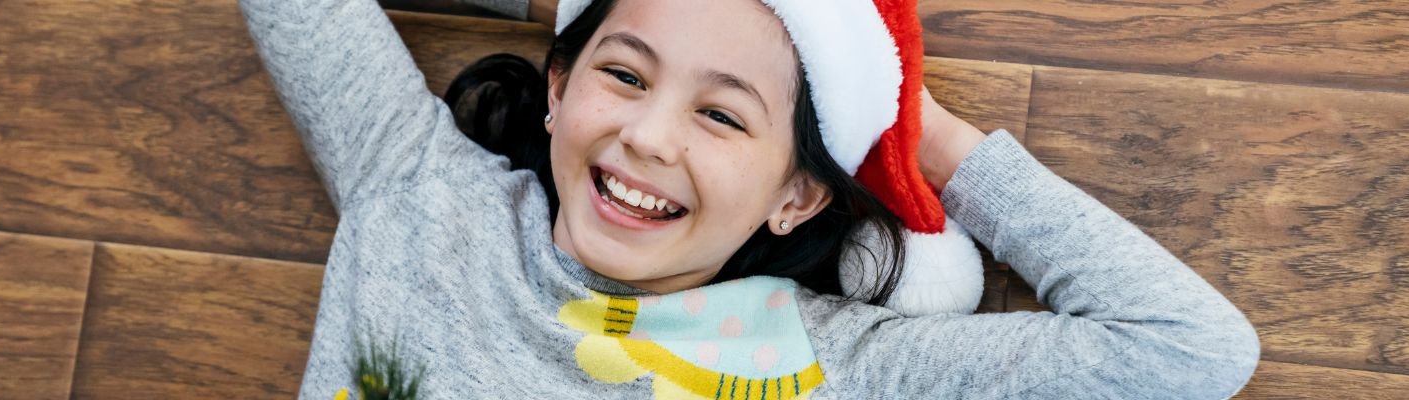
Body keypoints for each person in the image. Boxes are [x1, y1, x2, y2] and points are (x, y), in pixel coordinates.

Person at [238, 0, 1261, 398]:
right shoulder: (410, 178)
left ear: (795, 196)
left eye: (722, 117)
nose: (647, 133)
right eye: (623, 75)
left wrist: (916, 133)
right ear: (555, 91)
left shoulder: (825, 367)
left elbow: (1186, 348)